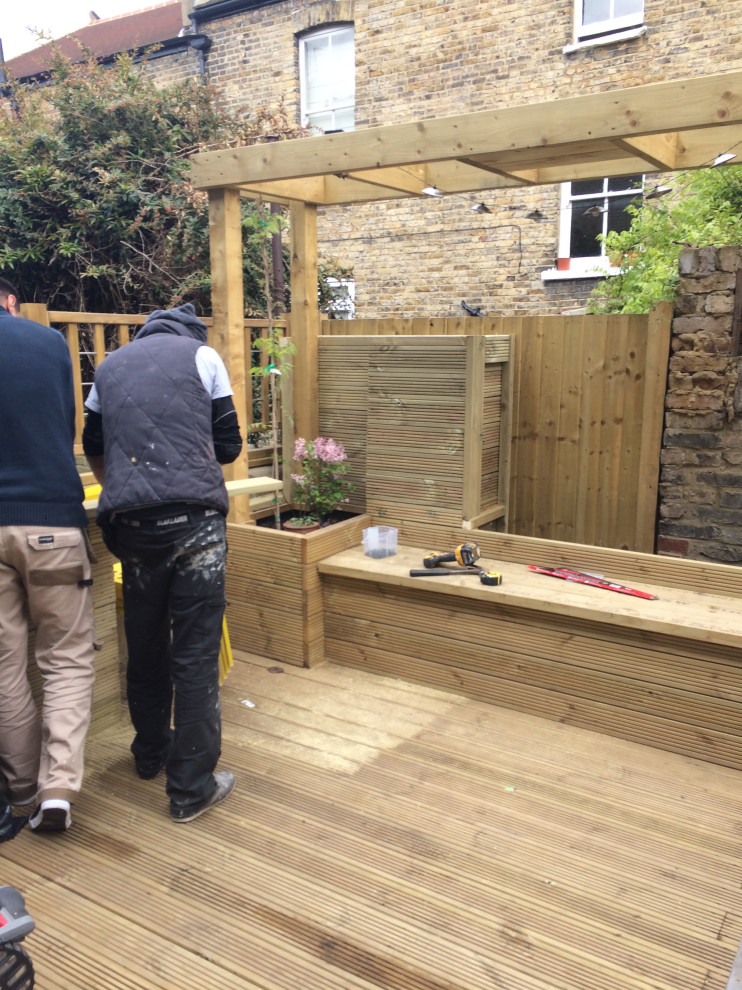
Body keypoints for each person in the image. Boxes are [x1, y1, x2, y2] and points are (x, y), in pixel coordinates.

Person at [82, 302, 242, 824]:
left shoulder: (108, 366)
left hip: (132, 529)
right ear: (191, 330)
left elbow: (93, 445)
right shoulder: (204, 356)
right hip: (196, 524)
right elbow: (228, 445)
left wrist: (125, 487)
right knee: (194, 653)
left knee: (145, 641)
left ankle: (150, 754)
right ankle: (191, 789)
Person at [0, 276, 97, 834]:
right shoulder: (48, 344)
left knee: (5, 665)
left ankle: (17, 795)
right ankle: (57, 788)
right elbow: (67, 427)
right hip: (52, 522)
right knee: (65, 656)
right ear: (11, 302)